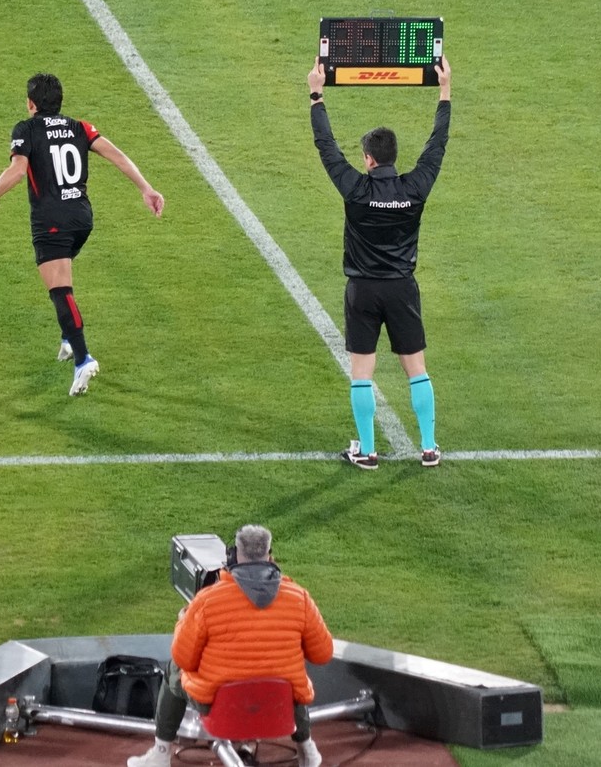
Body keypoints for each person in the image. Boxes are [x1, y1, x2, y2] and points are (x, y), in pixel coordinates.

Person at [0, 73, 163, 396]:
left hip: (51, 221)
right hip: (82, 218)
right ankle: (68, 340)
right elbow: (116, 155)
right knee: (61, 279)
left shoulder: (25, 129)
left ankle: (83, 357)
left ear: (30, 104)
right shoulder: (80, 127)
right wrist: (146, 188)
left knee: (60, 290)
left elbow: (17, 170)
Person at [308, 54, 451, 470]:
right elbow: (436, 147)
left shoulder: (355, 189)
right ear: (392, 157)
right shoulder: (417, 187)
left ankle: (367, 451)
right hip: (403, 287)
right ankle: (428, 446)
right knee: (416, 368)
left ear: (369, 159)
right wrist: (445, 93)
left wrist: (317, 95)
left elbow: (326, 148)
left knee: (361, 372)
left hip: (363, 290)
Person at [127, 525, 333, 767]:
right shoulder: (300, 598)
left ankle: (160, 755)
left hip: (221, 708)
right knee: (291, 679)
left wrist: (184, 621)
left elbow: (184, 659)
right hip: (279, 708)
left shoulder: (206, 601)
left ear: (233, 555)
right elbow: (323, 654)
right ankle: (307, 750)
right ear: (270, 555)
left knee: (174, 668)